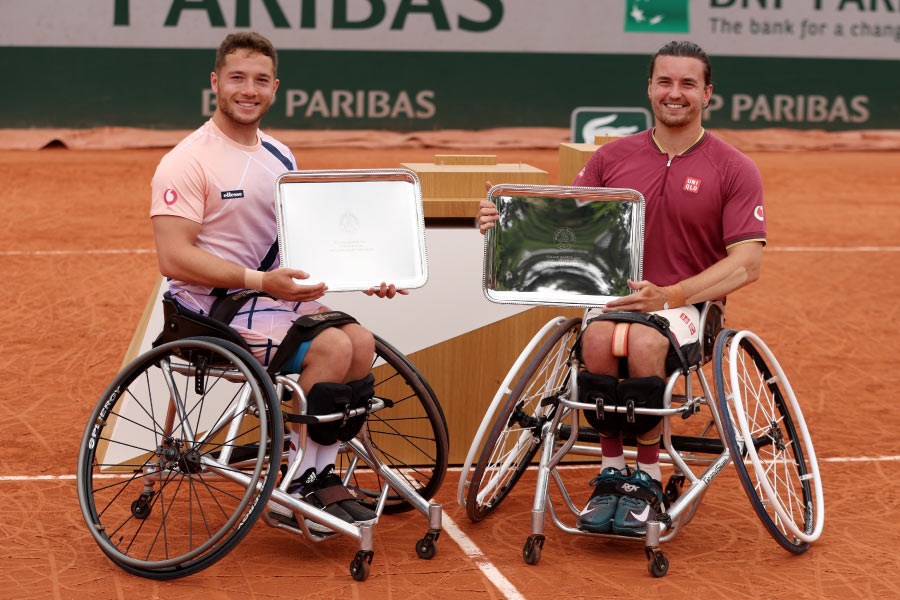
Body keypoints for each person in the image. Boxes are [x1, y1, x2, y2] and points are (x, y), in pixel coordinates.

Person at [477, 40, 766, 536]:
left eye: (688, 84)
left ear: (707, 93)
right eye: (665, 82)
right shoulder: (612, 157)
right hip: (612, 300)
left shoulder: (734, 167)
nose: (675, 93)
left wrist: (671, 294)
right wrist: (501, 223)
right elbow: (564, 227)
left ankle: (647, 478)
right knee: (596, 340)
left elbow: (747, 264)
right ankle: (612, 472)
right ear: (650, 88)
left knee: (642, 341)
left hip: (686, 307)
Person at [150, 31, 405, 534]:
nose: (249, 89)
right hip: (207, 309)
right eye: (237, 78)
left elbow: (302, 243)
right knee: (331, 348)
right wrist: (260, 280)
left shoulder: (281, 155)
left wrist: (363, 275)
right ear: (216, 82)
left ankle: (314, 473)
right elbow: (173, 257)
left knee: (360, 341)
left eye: (260, 80)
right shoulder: (187, 159)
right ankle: (299, 481)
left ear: (275, 87)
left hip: (268, 299)